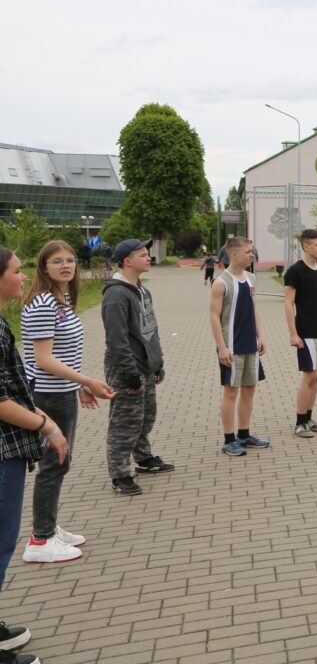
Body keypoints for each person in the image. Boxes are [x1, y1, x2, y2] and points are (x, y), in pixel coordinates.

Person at [20, 241, 114, 563]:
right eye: (57, 261)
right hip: (48, 395)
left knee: (60, 462)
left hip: (62, 392)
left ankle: (48, 527)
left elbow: (65, 352)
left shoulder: (63, 300)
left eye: (70, 260)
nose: (66, 266)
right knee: (54, 463)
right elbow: (43, 360)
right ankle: (40, 540)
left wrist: (76, 386)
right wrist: (86, 381)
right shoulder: (43, 304)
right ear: (44, 267)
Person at [1, 246, 71, 664]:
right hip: (4, 447)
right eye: (16, 270)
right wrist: (46, 425)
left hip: (12, 443)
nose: (22, 276)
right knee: (0, 541)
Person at [103, 238, 172, 497]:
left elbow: (151, 329)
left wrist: (158, 362)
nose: (148, 258)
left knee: (145, 416)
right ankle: (119, 474)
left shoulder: (142, 290)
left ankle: (143, 458)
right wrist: (129, 373)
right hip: (126, 368)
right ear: (127, 261)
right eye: (142, 255)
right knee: (125, 422)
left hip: (145, 365)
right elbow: (117, 339)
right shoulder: (116, 295)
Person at [208, 237, 269, 457]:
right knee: (231, 391)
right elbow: (214, 316)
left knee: (249, 388)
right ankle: (229, 440)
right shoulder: (220, 282)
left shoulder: (251, 278)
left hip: (250, 344)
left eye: (252, 251)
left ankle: (244, 435)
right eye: (248, 251)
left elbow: (254, 309)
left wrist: (261, 336)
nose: (252, 255)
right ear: (234, 255)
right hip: (231, 346)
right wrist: (222, 347)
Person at [284, 229, 317, 439]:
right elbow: (288, 303)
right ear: (306, 246)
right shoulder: (295, 271)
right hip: (305, 331)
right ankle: (299, 423)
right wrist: (293, 334)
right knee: (310, 375)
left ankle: (309, 418)